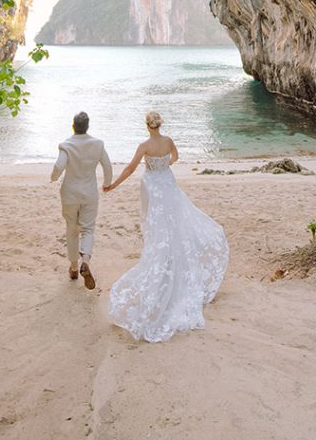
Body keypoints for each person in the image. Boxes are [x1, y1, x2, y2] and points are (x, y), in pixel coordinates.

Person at [103, 110, 228, 342]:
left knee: (156, 223)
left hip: (152, 184)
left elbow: (130, 169)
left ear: (147, 126)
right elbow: (176, 158)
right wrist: (164, 165)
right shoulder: (168, 141)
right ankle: (172, 255)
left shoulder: (144, 146)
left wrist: (113, 185)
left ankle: (161, 256)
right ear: (159, 125)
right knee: (173, 221)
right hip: (167, 182)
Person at [51, 111, 113, 290]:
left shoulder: (66, 145)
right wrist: (107, 183)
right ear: (88, 126)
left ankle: (73, 267)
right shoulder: (97, 144)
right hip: (89, 193)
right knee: (88, 228)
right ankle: (85, 260)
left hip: (70, 193)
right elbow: (107, 166)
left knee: (71, 229)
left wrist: (53, 178)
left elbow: (58, 166)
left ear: (73, 126)